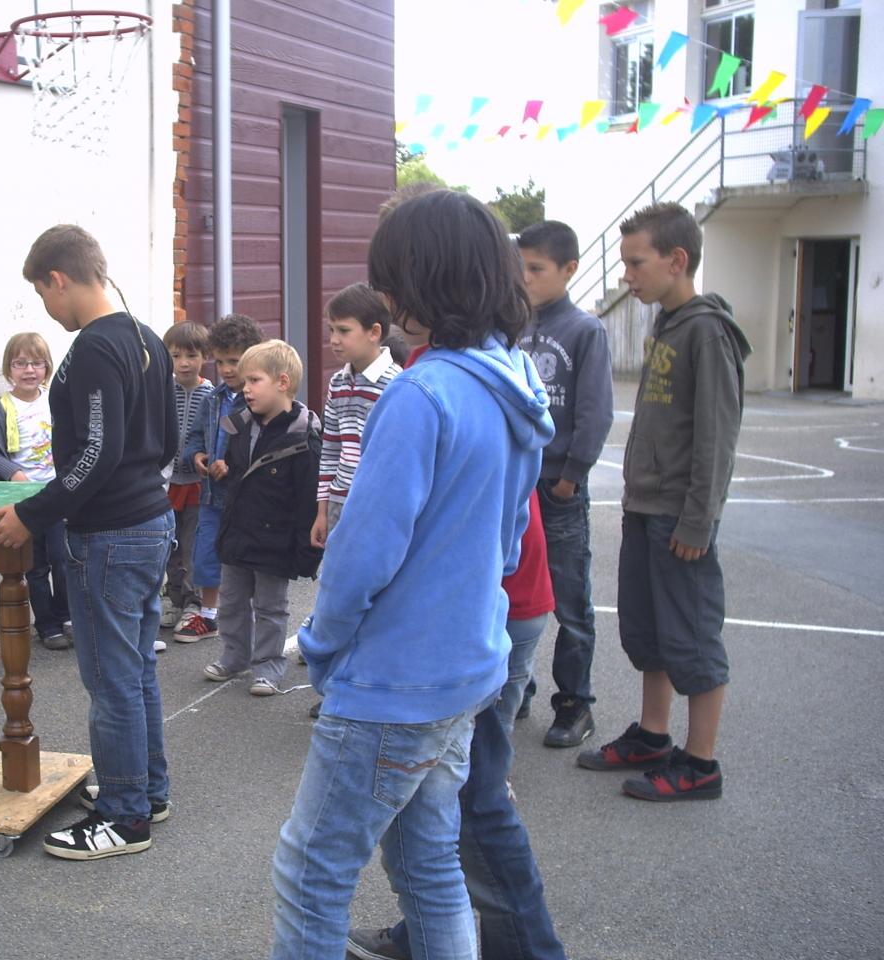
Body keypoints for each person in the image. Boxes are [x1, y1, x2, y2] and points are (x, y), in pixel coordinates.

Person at [271, 189, 553, 960]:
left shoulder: (421, 393)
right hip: (467, 664)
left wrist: (323, 645)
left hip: (397, 678)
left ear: (428, 279)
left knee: (311, 869)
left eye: (394, 280)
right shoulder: (511, 383)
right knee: (426, 860)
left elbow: (362, 553)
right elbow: (505, 540)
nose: (389, 300)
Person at [347, 316, 564, 960]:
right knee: (440, 802)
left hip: (482, 611)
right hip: (497, 605)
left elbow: (385, 536)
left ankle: (530, 949)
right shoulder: (492, 368)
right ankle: (431, 931)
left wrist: (332, 641)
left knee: (474, 800)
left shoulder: (439, 382)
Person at [0, 224, 177, 857]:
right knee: (136, 669)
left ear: (58, 279)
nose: (46, 310)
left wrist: (33, 514)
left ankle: (124, 817)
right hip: (150, 523)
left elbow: (97, 452)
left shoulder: (95, 348)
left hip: (112, 535)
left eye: (42, 295)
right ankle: (146, 790)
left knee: (111, 677)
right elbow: (168, 441)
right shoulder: (147, 338)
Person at [578, 201, 750, 802]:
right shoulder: (666, 324)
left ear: (677, 261)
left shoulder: (707, 330)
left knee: (693, 638)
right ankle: (654, 735)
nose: (627, 275)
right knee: (650, 630)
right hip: (646, 508)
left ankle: (700, 763)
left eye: (636, 263)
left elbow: (716, 436)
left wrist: (699, 520)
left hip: (681, 516)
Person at [515, 220, 615, 749]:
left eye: (537, 269)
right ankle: (517, 687)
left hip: (558, 489)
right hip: (519, 485)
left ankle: (575, 704)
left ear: (568, 269)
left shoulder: (584, 330)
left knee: (570, 599)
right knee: (515, 593)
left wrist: (571, 478)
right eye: (522, 268)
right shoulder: (514, 326)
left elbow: (595, 414)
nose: (526, 278)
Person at [203, 340, 322, 696]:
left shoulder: (302, 437)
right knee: (232, 602)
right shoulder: (240, 424)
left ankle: (268, 667)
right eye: (244, 382)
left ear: (282, 382)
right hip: (238, 533)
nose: (245, 389)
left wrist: (306, 552)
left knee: (271, 608)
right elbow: (239, 475)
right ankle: (235, 655)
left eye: (254, 380)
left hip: (276, 540)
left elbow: (307, 502)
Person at [306, 281, 401, 717]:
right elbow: (329, 447)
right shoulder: (338, 384)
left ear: (375, 332)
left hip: (376, 512)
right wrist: (323, 508)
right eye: (331, 330)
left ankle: (371, 688)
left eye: (343, 331)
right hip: (341, 506)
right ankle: (336, 686)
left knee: (376, 599)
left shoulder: (397, 385)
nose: (333, 340)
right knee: (336, 596)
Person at [0, 331, 72, 650]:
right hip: (23, 502)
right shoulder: (0, 409)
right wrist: (13, 473)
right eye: (20, 363)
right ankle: (47, 626)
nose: (29, 370)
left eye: (37, 363)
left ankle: (65, 616)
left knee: (64, 559)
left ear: (47, 367)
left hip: (57, 496)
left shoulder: (58, 400)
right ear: (8, 369)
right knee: (36, 566)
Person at [174, 313, 265, 643]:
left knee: (244, 559)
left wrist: (232, 465)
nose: (227, 369)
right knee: (205, 555)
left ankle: (253, 615)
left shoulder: (258, 400)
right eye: (222, 361)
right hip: (211, 495)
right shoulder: (212, 399)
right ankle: (208, 616)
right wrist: (197, 456)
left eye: (235, 362)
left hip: (244, 498)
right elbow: (197, 437)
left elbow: (261, 446)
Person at [160, 321, 213, 632]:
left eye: (191, 355)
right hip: (166, 484)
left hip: (196, 484)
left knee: (192, 546)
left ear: (204, 356)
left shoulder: (211, 395)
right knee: (168, 545)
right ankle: (175, 598)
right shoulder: (163, 390)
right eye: (176, 355)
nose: (184, 363)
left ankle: (193, 603)